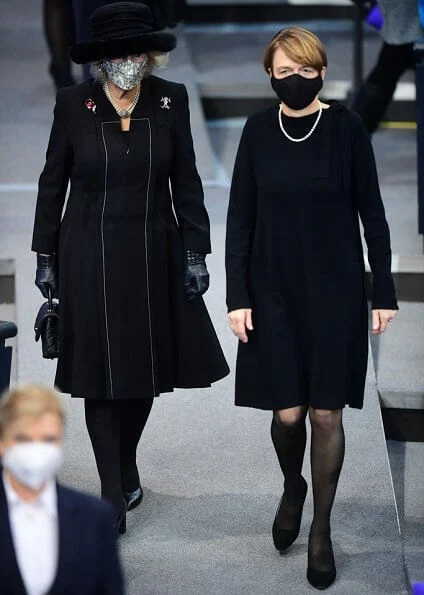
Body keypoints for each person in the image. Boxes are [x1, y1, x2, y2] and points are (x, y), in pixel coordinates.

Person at [32, 1, 229, 535]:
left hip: (152, 251)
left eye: (136, 50)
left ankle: (125, 460)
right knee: (100, 376)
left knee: (142, 374)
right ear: (99, 58)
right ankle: (109, 490)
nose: (128, 59)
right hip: (87, 252)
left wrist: (195, 253)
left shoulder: (171, 100)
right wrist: (45, 258)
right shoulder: (75, 103)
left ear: (151, 54)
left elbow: (187, 182)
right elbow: (53, 185)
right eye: (118, 51)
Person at [225, 27, 398, 590]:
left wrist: (384, 291)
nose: (294, 80)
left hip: (335, 292)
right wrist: (237, 296)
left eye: (305, 71)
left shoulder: (347, 129)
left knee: (326, 413)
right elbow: (240, 219)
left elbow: (372, 212)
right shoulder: (257, 131)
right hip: (272, 291)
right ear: (269, 75)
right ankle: (292, 485)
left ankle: (320, 529)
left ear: (322, 72)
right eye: (283, 71)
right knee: (288, 414)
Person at [0, 385, 123, 595]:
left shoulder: (95, 517)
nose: (36, 451)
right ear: (2, 442)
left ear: (61, 443)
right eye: (23, 439)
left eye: (48, 439)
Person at [351, 0, 423, 134]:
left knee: (381, 82)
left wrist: (376, 18)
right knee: (381, 82)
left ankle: (349, 140)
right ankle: (350, 139)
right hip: (401, 26)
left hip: (399, 27)